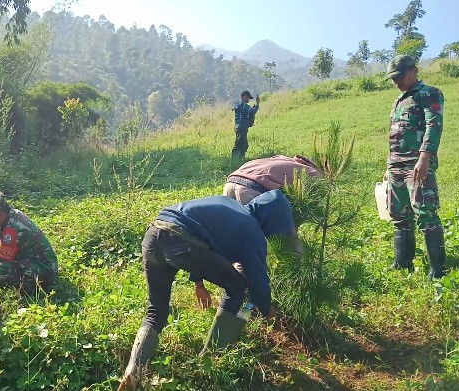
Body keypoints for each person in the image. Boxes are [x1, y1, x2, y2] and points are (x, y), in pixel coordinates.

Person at [117, 191, 296, 391]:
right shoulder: (252, 231)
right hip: (181, 242)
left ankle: (132, 372)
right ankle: (209, 358)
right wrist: (266, 308)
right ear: (273, 220)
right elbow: (257, 282)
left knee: (156, 311)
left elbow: (201, 235)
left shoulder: (229, 206)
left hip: (154, 233)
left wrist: (198, 284)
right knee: (237, 287)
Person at [384, 55, 446, 279]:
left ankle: (438, 270)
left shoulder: (429, 94)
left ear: (414, 70)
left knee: (425, 214)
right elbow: (395, 136)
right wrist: (389, 165)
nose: (396, 81)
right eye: (393, 78)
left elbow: (434, 125)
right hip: (396, 166)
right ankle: (402, 264)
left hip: (417, 165)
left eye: (399, 76)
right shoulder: (399, 100)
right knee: (399, 215)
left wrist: (424, 158)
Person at [0, 191, 58, 294]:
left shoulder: (14, 228)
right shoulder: (9, 217)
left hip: (44, 269)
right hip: (31, 262)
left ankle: (33, 291)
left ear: (0, 213)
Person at [223, 155, 323, 204]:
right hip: (251, 188)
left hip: (231, 181)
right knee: (254, 234)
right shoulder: (314, 173)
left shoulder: (283, 158)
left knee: (230, 229)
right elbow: (308, 205)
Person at [231, 90, 260, 158]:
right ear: (243, 97)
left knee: (240, 143)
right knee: (241, 144)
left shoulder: (237, 105)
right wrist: (257, 104)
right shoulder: (244, 105)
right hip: (242, 126)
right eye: (247, 98)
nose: (248, 100)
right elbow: (253, 112)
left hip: (237, 126)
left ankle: (237, 158)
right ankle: (238, 158)